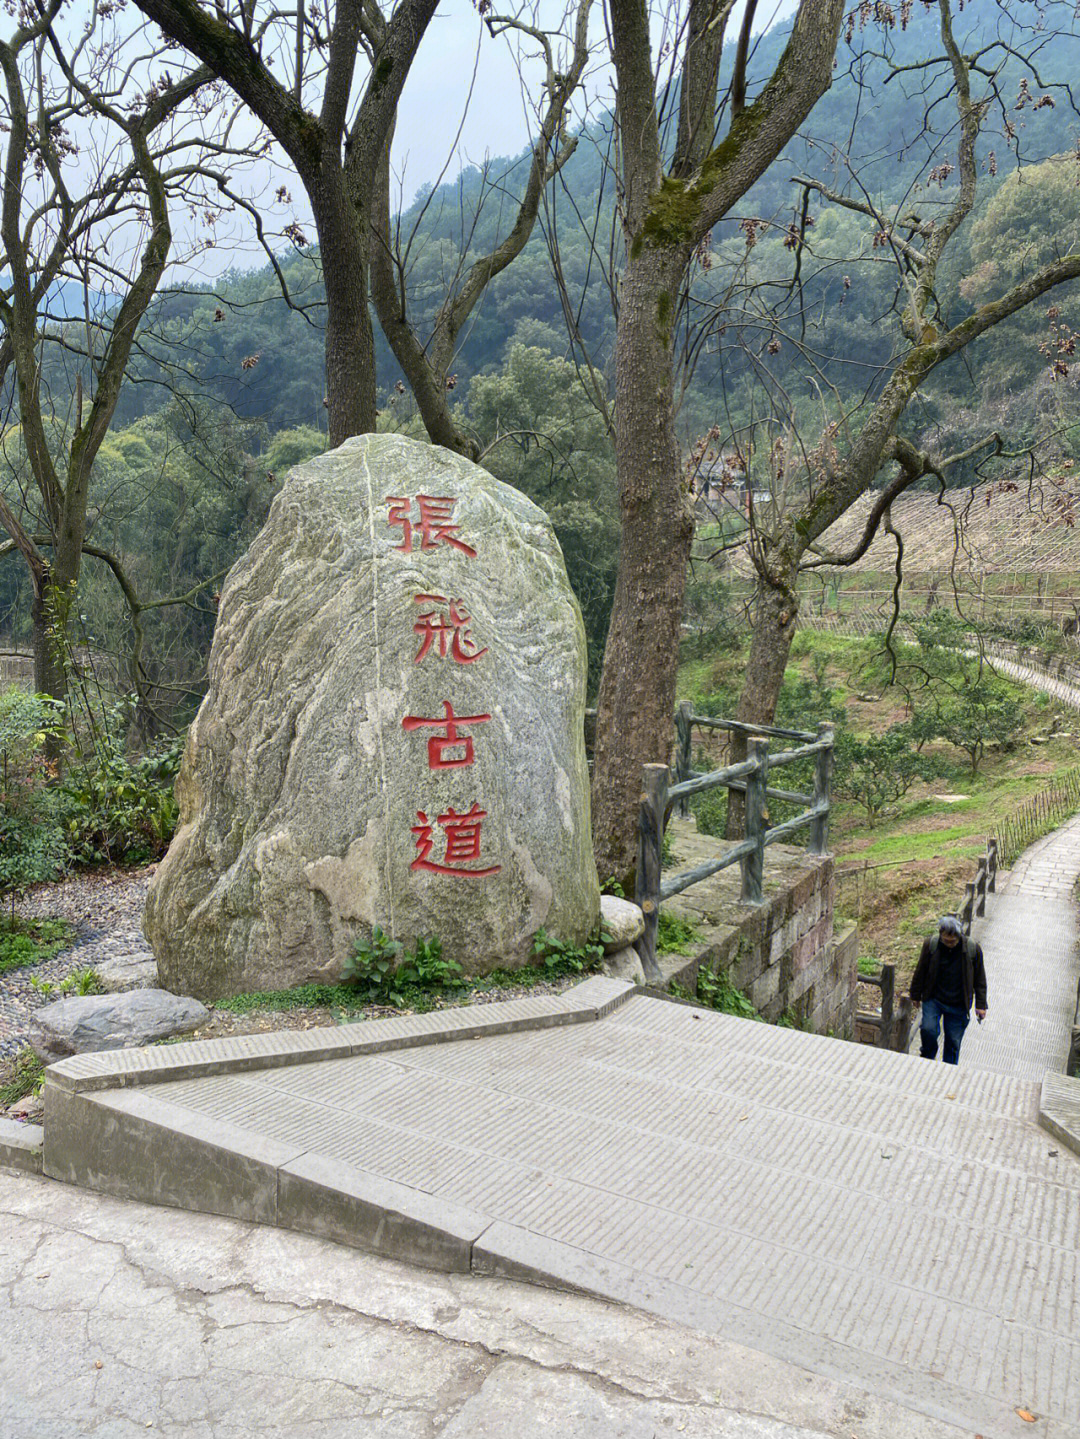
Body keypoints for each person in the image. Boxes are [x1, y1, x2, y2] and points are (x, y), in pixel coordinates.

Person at [909, 915, 988, 1065]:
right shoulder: (931, 945)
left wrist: (981, 1005)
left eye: (952, 941)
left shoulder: (972, 949)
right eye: (945, 941)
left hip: (958, 1003)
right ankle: (927, 1060)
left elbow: (980, 978)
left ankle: (948, 1070)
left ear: (959, 936)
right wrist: (915, 994)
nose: (949, 944)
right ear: (940, 935)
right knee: (928, 1030)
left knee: (953, 1042)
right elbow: (921, 970)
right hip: (934, 998)